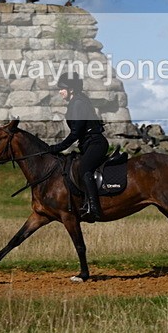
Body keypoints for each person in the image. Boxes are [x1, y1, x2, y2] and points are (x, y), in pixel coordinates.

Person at [49, 74, 108, 222]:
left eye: (62, 88)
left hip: (95, 143)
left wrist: (58, 147)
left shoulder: (78, 103)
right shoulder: (76, 101)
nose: (60, 92)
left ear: (71, 90)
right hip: (88, 144)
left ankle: (94, 208)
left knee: (84, 169)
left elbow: (76, 132)